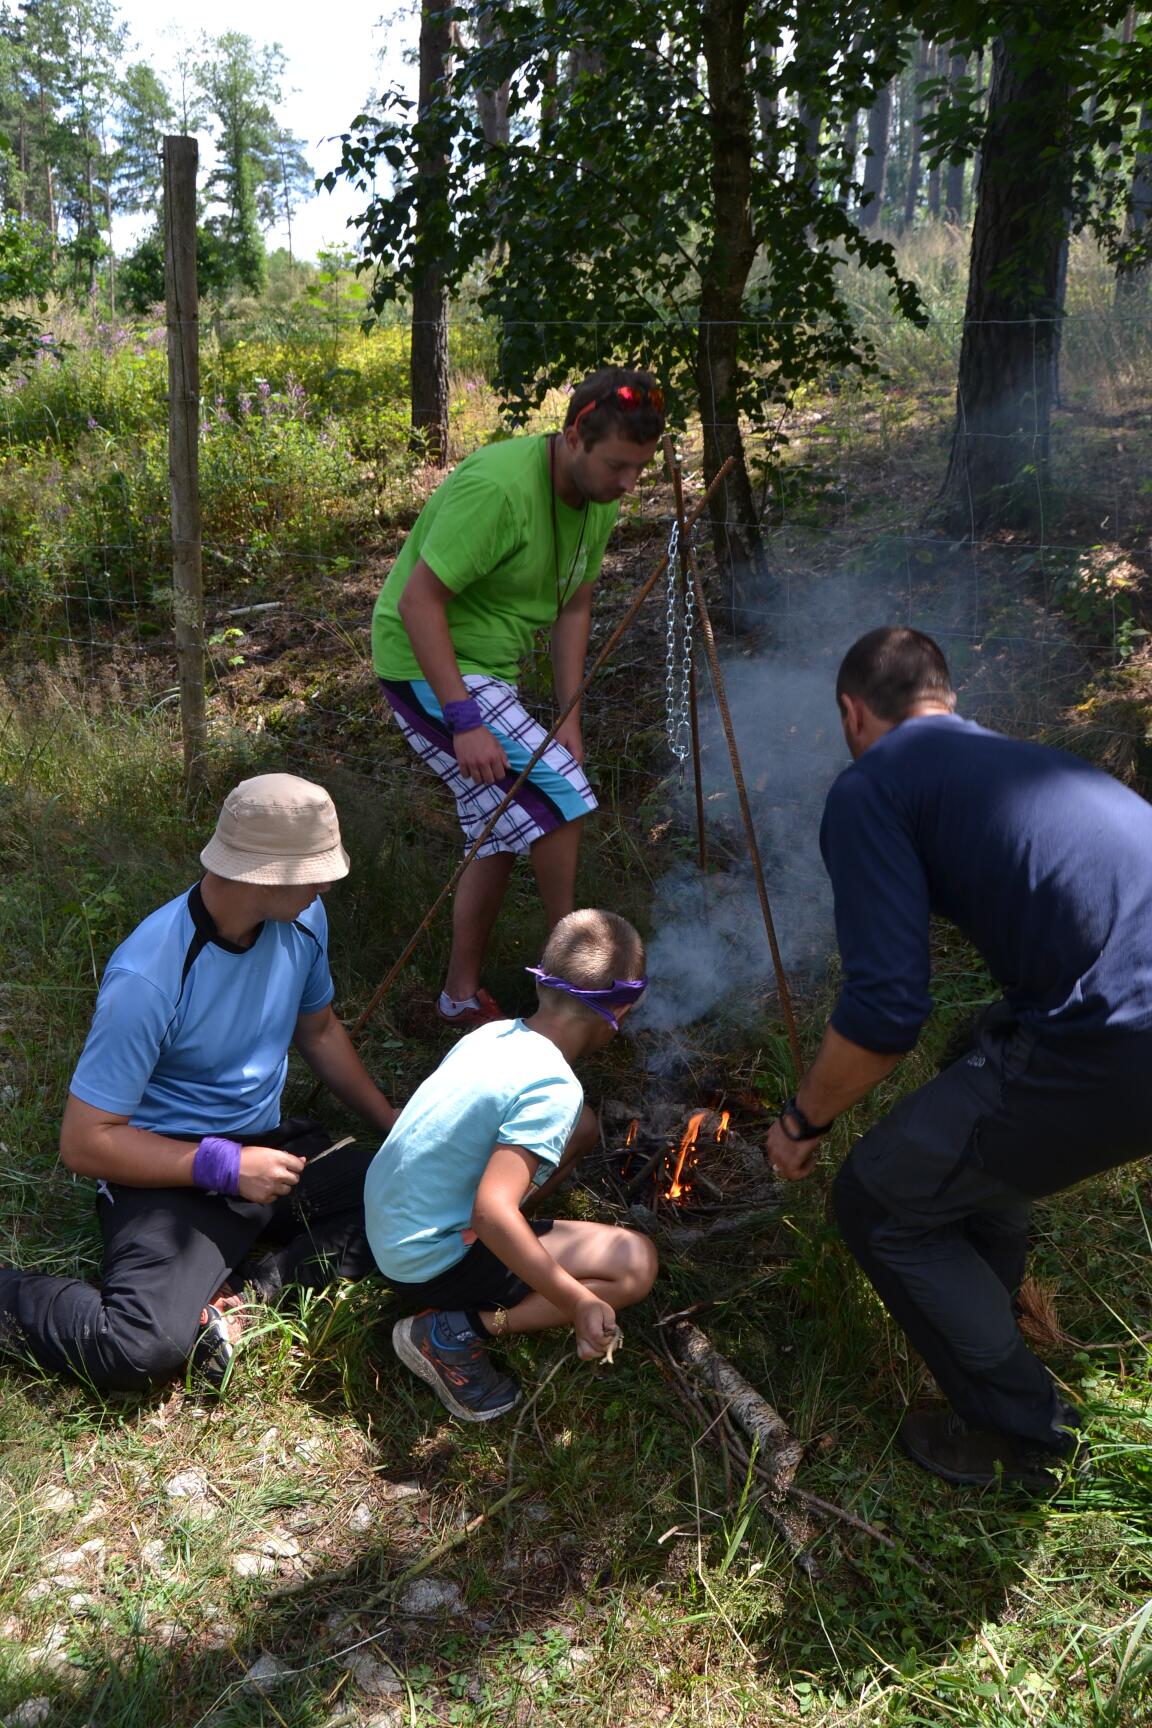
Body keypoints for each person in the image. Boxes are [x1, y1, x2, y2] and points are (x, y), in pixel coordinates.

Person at [765, 627, 1152, 1488]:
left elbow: (884, 1011)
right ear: (945, 696)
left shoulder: (873, 785)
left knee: (876, 1200)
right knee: (967, 1064)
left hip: (1113, 1040)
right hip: (1117, 1018)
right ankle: (988, 1286)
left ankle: (1025, 1437)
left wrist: (803, 1120)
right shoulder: (1022, 760)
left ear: (852, 712)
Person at [0, 773, 398, 1392]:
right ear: (259, 872)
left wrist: (391, 1124)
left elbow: (318, 1030)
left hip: (267, 1147)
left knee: (409, 1198)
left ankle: (241, 1300)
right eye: (313, 869)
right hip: (166, 1166)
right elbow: (84, 1142)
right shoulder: (150, 975)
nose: (326, 882)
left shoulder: (305, 918)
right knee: (139, 1347)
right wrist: (224, 1166)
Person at [373, 367, 664, 1028]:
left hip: (487, 670)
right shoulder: (498, 490)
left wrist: (569, 714)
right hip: (424, 663)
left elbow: (575, 606)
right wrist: (464, 719)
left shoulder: (598, 498)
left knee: (499, 833)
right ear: (573, 438)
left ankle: (457, 999)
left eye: (640, 469)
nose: (628, 484)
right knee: (559, 798)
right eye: (618, 465)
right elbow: (419, 604)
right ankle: (570, 976)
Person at [364, 908, 659, 1421]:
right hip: (429, 1259)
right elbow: (490, 1214)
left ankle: (499, 1256)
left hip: (389, 1222)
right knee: (635, 1264)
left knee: (583, 1126)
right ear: (622, 1011)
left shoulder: (494, 1035)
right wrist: (576, 1302)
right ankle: (451, 1333)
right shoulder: (553, 1088)